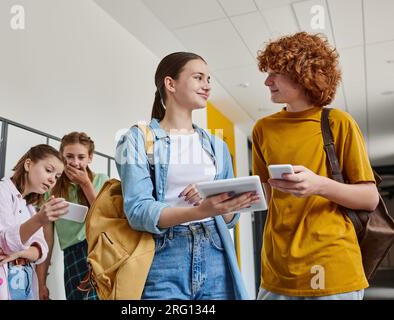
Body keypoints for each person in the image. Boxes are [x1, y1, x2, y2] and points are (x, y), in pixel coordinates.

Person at [115, 52, 256, 300]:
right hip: (163, 255)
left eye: (208, 79)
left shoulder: (216, 145)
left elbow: (229, 219)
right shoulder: (136, 139)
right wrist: (198, 211)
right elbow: (138, 211)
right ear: (170, 84)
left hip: (216, 251)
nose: (207, 85)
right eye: (198, 77)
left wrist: (219, 201)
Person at [252, 32, 379, 300]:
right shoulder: (263, 129)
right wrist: (230, 197)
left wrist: (319, 184)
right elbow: (265, 195)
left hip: (331, 266)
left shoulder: (338, 122)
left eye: (275, 73)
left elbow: (369, 198)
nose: (267, 81)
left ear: (303, 74)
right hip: (277, 270)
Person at [0, 144, 69, 300]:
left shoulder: (29, 208)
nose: (52, 179)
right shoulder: (1, 190)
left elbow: (42, 251)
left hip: (21, 287)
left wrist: (20, 253)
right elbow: (6, 243)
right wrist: (39, 220)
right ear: (28, 164)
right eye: (48, 170)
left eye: (57, 176)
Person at [37, 132, 109, 300]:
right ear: (61, 157)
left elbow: (106, 217)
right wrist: (41, 282)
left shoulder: (102, 181)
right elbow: (47, 239)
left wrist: (85, 183)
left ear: (90, 158)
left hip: (99, 251)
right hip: (72, 256)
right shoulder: (51, 189)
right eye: (69, 156)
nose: (75, 162)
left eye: (81, 157)